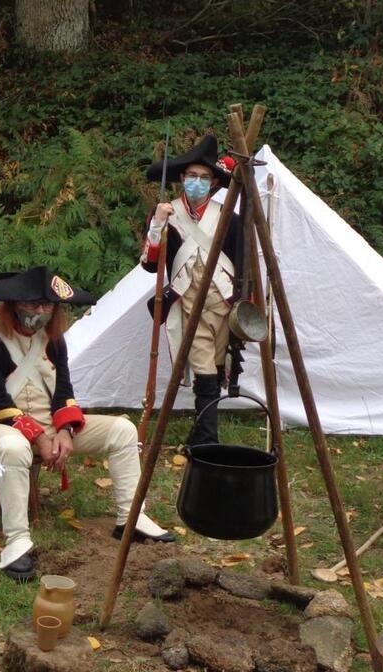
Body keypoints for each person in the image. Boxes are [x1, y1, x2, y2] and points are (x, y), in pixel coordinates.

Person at [0, 267, 174, 582]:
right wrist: (40, 437)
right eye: (34, 304)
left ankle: (131, 518)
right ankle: (17, 542)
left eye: (48, 305)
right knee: (14, 449)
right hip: (2, 426)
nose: (41, 311)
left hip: (50, 427)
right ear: (15, 304)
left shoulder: (54, 341)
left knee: (123, 430)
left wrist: (66, 431)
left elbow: (64, 392)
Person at [141, 133, 241, 445]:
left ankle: (199, 434)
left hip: (223, 304)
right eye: (191, 176)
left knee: (215, 366)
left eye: (204, 177)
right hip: (188, 304)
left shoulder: (230, 219)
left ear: (214, 183)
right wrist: (157, 225)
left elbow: (243, 265)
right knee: (204, 369)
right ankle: (207, 440)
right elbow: (149, 263)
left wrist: (245, 305)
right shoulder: (167, 214)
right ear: (182, 178)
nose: (196, 182)